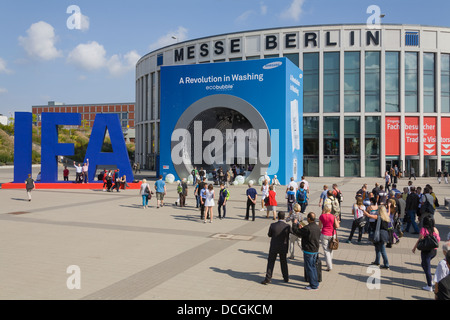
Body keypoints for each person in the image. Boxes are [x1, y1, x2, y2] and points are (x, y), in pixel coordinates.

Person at [291, 212, 321, 290]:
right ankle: (315, 283)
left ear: (308, 219)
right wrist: (301, 229)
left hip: (309, 250)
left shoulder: (307, 228)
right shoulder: (317, 227)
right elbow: (304, 233)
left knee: (310, 268)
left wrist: (294, 224)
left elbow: (296, 232)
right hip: (315, 249)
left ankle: (313, 285)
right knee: (313, 267)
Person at [261, 211, 291, 285]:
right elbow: (293, 232)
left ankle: (268, 278)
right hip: (283, 247)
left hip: (274, 246)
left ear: (278, 217)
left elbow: (269, 235)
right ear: (284, 217)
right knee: (283, 262)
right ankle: (286, 277)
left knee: (271, 261)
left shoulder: (273, 225)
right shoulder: (287, 226)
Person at [412, 215, 441, 291]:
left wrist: (414, 248)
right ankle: (430, 280)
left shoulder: (423, 230)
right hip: (433, 251)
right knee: (423, 264)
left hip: (426, 251)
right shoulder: (435, 229)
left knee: (427, 268)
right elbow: (438, 240)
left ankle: (429, 285)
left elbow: (420, 240)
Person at [365, 204, 391, 269]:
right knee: (377, 248)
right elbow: (389, 212)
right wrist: (389, 206)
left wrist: (363, 210)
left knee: (382, 250)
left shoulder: (378, 217)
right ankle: (377, 261)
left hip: (379, 234)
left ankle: (386, 264)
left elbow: (368, 215)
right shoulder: (386, 216)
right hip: (384, 234)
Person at [319, 204, 340, 272]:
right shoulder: (333, 216)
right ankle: (329, 263)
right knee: (331, 248)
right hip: (332, 234)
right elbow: (337, 226)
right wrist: (338, 222)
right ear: (330, 210)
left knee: (326, 250)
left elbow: (320, 226)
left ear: (324, 209)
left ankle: (329, 265)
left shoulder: (321, 216)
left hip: (324, 233)